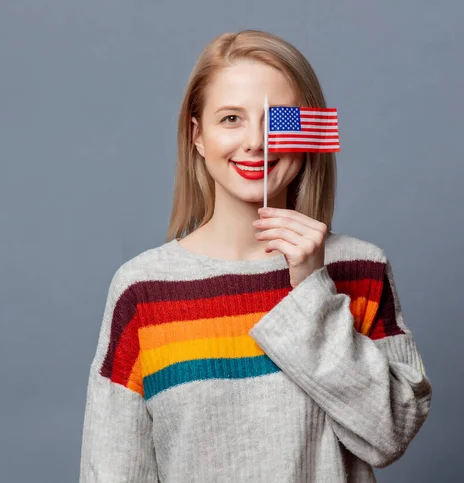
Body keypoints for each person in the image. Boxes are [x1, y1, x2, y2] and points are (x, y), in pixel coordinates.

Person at [79, 29, 432, 482]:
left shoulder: (360, 269)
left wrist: (311, 289)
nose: (256, 142)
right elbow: (112, 469)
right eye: (231, 119)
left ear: (305, 134)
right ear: (198, 135)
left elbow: (390, 434)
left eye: (277, 119)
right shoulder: (144, 289)